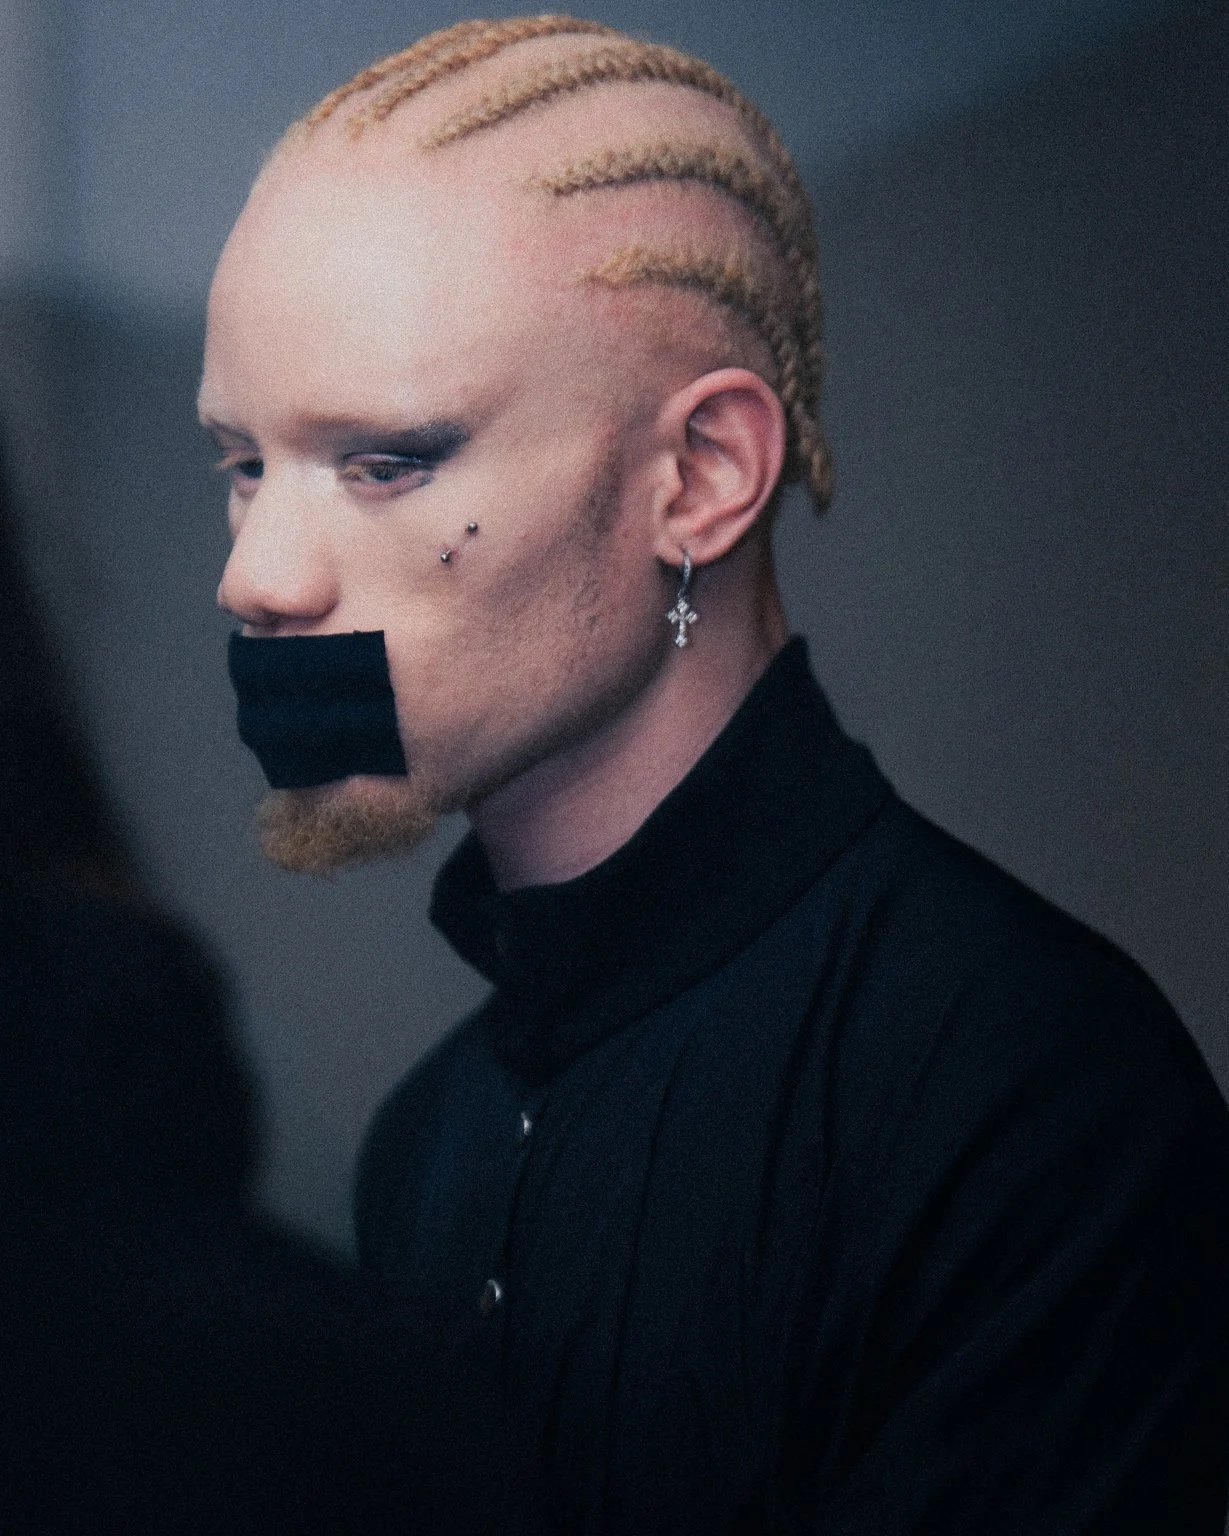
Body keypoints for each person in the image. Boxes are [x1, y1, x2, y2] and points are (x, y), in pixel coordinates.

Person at [205, 16, 1229, 1533]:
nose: (258, 576)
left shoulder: (1029, 1094)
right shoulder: (431, 1142)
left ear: (698, 478)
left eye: (389, 460)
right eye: (243, 464)